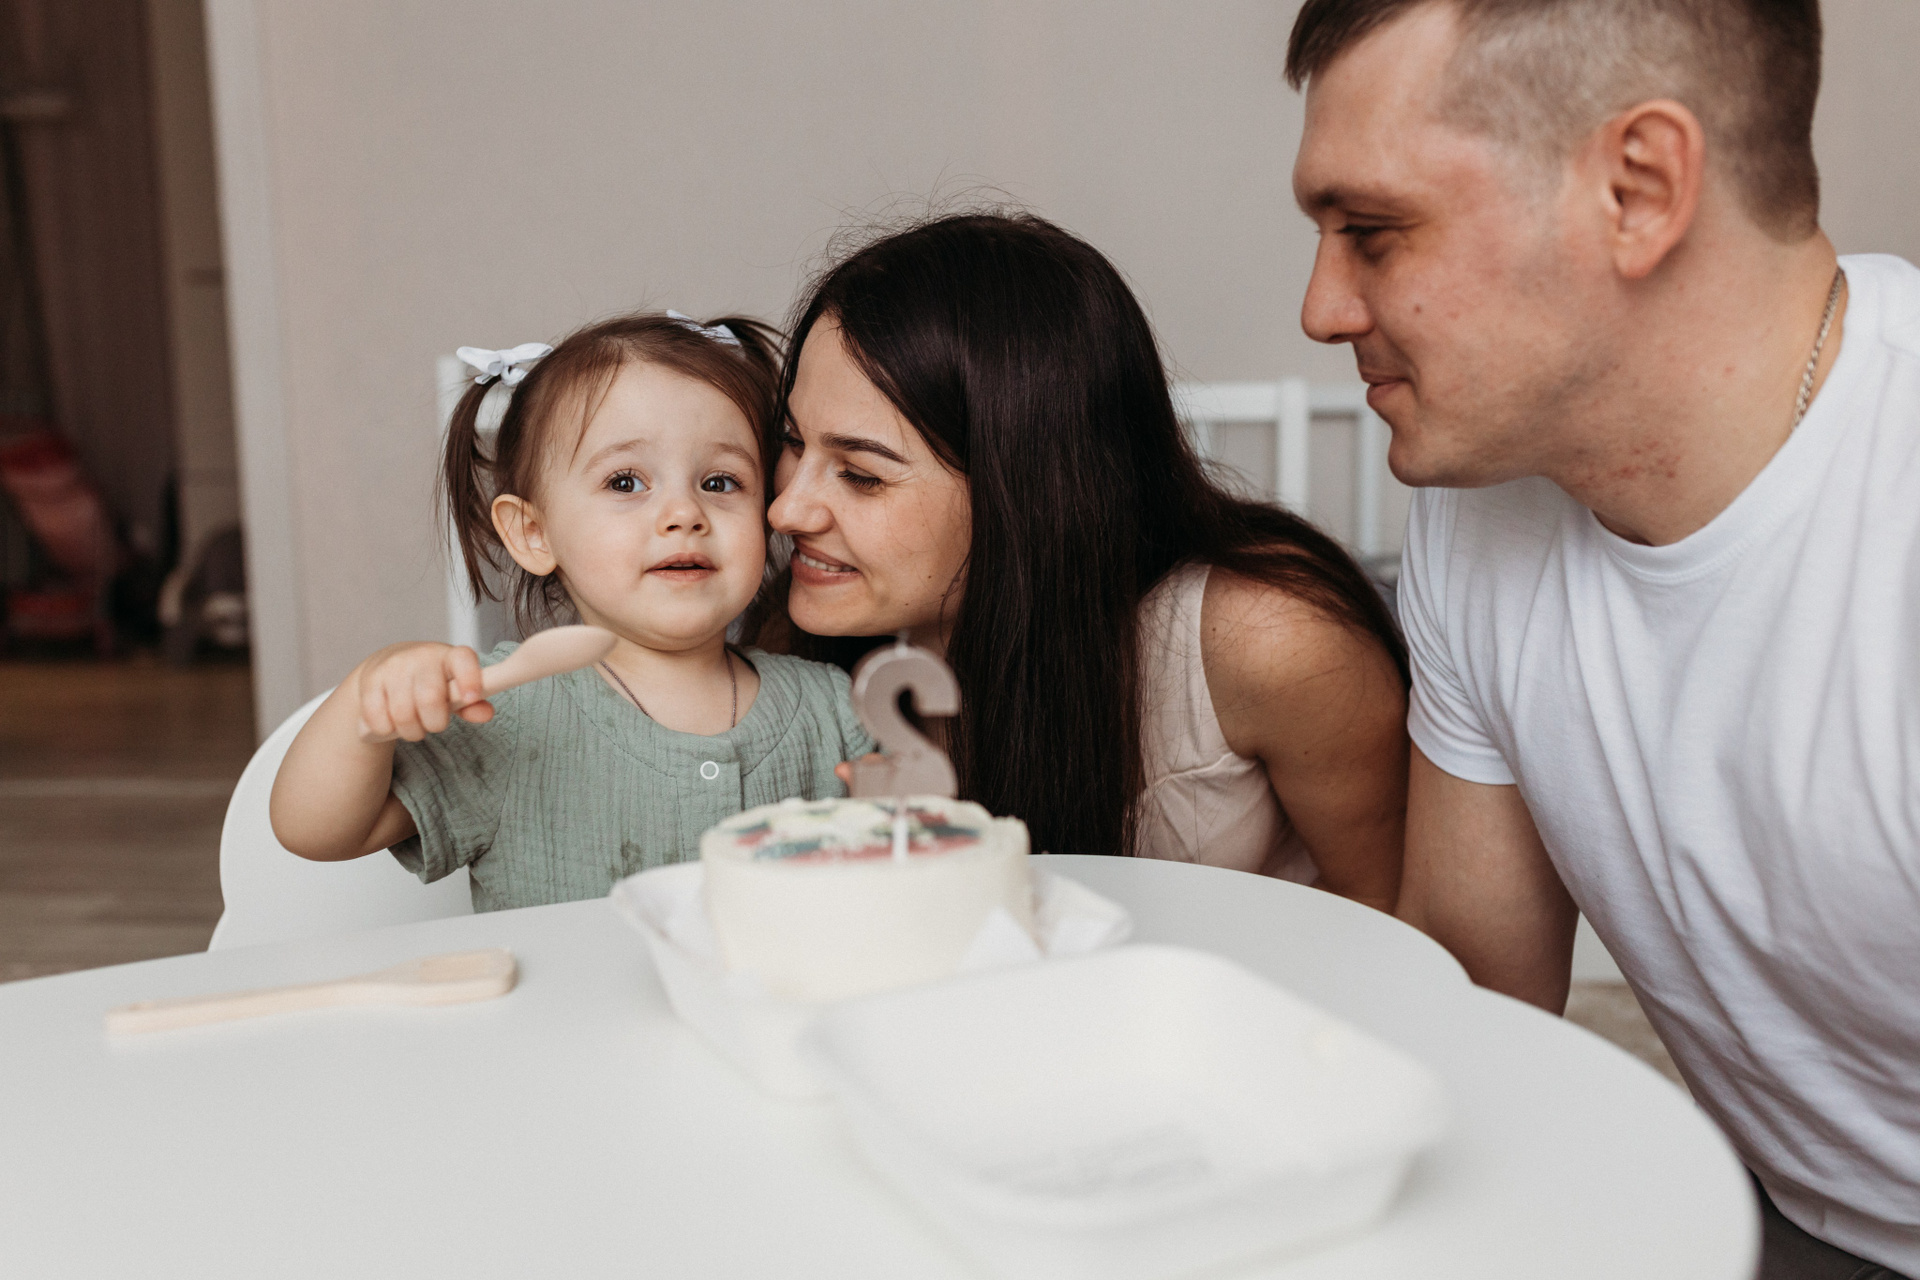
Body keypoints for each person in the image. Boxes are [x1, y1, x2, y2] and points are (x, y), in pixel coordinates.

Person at [1284, 0, 1918, 1275]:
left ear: (1639, 189)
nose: (1322, 308)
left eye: (1374, 234)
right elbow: (1471, 1004)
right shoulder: (1483, 507)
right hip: (1771, 1211)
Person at [753, 212, 1409, 910]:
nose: (786, 510)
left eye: (861, 475)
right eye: (792, 442)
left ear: (1029, 490)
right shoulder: (795, 650)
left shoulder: (1269, 640)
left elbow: (1395, 920)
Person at [270, 312, 873, 910]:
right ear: (533, 533)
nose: (684, 514)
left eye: (719, 483)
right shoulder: (507, 713)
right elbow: (315, 833)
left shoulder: (834, 709)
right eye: (625, 483)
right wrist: (366, 703)